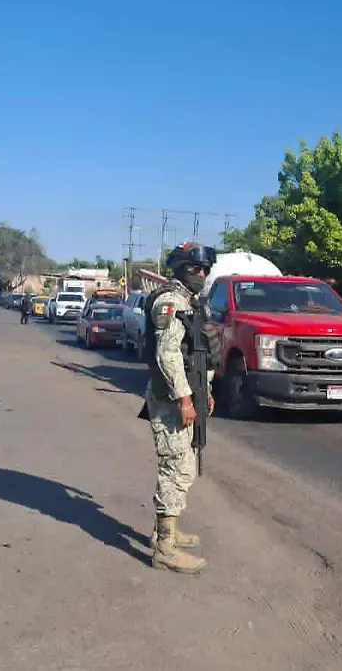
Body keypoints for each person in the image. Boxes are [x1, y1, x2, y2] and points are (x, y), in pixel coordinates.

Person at [142, 241, 218, 574]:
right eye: (194, 269)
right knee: (176, 469)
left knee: (183, 466)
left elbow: (198, 353)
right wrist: (186, 399)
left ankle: (165, 532)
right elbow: (167, 355)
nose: (201, 274)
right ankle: (165, 549)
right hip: (173, 400)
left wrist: (206, 391)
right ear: (181, 269)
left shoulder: (192, 302)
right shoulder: (172, 302)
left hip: (188, 393)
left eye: (204, 269)